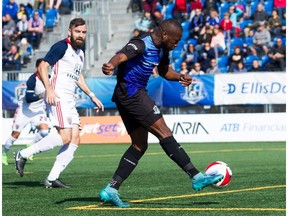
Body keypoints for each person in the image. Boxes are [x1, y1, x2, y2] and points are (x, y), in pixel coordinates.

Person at [99, 18, 223, 207]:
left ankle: (111, 189)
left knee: (139, 145)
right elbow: (122, 55)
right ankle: (196, 176)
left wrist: (180, 76)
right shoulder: (141, 43)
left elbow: (164, 71)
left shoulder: (163, 49)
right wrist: (111, 65)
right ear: (165, 34)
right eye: (175, 39)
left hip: (128, 96)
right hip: (132, 94)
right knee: (164, 132)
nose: (177, 43)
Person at [14, 18, 104, 188]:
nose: (81, 35)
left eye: (84, 32)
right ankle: (23, 154)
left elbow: (78, 76)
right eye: (77, 31)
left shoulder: (80, 53)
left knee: (75, 139)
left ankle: (52, 178)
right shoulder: (61, 46)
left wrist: (92, 95)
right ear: (69, 31)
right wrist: (48, 89)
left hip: (70, 100)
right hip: (58, 97)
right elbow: (43, 66)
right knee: (65, 137)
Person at [2, 58, 50, 165]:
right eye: (42, 67)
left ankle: (30, 146)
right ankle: (3, 153)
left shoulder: (49, 79)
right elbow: (28, 98)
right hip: (25, 110)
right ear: (37, 68)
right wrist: (41, 95)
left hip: (38, 110)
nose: (44, 70)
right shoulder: (32, 80)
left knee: (45, 131)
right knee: (15, 135)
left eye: (46, 68)